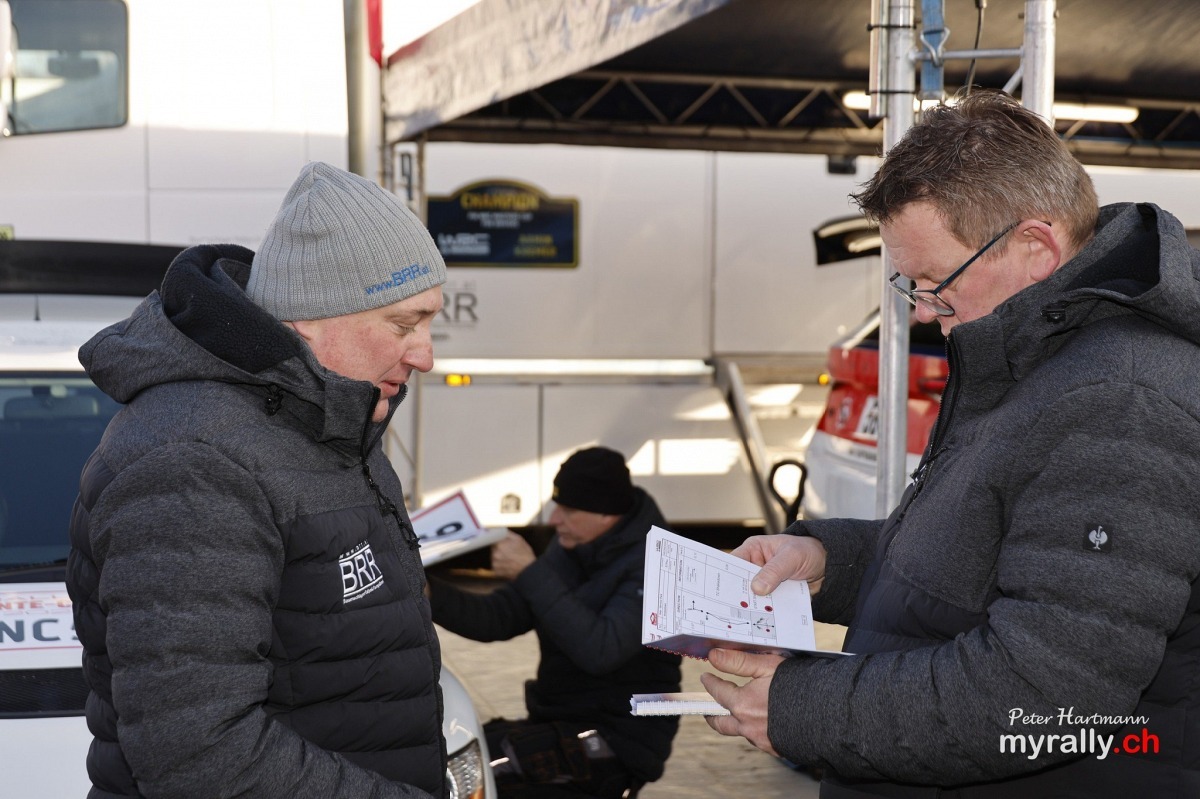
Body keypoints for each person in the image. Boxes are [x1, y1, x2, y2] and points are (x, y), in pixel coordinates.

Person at [700, 89, 1200, 797]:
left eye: (937, 282)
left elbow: (1046, 694)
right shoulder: (1036, 354)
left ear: (1036, 247)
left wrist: (800, 705)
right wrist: (828, 563)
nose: (925, 311)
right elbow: (978, 550)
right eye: (912, 284)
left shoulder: (1118, 399)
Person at [67, 162, 450, 798]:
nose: (426, 355)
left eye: (431, 324)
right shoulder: (195, 461)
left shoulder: (331, 423)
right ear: (310, 319)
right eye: (404, 325)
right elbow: (198, 751)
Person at [428, 446, 683, 798]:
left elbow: (601, 650)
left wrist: (531, 573)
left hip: (619, 737)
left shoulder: (660, 564)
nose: (554, 519)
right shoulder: (573, 546)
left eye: (568, 510)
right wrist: (426, 591)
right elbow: (497, 618)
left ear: (606, 513)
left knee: (468, 779)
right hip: (557, 721)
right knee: (444, 758)